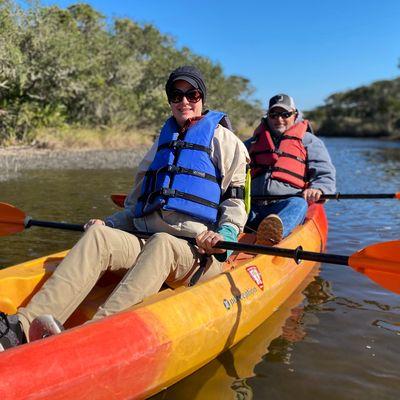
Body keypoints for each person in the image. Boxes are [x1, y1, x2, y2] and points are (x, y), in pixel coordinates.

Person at [0, 66, 249, 350]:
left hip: (194, 252)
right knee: (99, 236)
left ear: (202, 97)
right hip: (145, 239)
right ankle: (20, 329)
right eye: (176, 95)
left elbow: (236, 200)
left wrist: (224, 236)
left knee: (163, 243)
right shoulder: (161, 143)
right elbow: (135, 205)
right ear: (169, 100)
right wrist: (110, 224)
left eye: (191, 94)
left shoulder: (225, 141)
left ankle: (92, 338)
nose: (184, 102)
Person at [245, 94, 336, 245]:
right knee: (233, 206)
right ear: (268, 117)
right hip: (253, 205)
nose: (279, 119)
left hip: (286, 205)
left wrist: (319, 189)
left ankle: (271, 237)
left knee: (298, 204)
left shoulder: (309, 141)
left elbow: (324, 172)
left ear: (295, 114)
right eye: (273, 115)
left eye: (285, 114)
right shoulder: (251, 143)